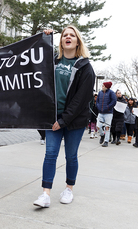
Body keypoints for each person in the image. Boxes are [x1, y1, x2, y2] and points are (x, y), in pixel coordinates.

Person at [33, 26, 95, 208]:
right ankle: (45, 194)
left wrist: (63, 121)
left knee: (71, 155)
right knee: (50, 154)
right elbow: (35, 60)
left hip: (74, 120)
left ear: (77, 41)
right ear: (61, 41)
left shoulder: (85, 67)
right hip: (52, 117)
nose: (67, 37)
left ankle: (69, 188)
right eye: (64, 35)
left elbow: (81, 100)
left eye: (72, 35)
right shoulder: (52, 62)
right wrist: (45, 38)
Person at [96, 82, 117, 147]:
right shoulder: (100, 93)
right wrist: (98, 107)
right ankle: (102, 135)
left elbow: (114, 101)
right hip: (100, 113)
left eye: (103, 86)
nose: (102, 87)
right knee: (98, 126)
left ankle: (106, 141)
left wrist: (108, 107)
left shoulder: (111, 93)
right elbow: (97, 101)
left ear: (106, 86)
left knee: (107, 127)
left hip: (108, 113)